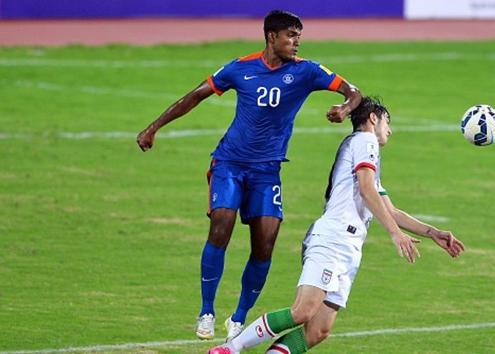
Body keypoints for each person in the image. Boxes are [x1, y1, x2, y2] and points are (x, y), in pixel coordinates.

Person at [136, 10, 361, 341]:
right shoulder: (240, 68)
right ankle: (206, 312)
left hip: (267, 171)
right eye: (290, 36)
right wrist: (154, 127)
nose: (297, 42)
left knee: (264, 245)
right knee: (221, 225)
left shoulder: (307, 72)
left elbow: (354, 93)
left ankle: (239, 317)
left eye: (299, 35)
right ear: (271, 37)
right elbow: (195, 95)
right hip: (229, 163)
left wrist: (344, 109)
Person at [208, 96, 466, 354]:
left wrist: (433, 233)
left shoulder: (364, 155)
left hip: (348, 247)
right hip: (333, 238)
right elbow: (366, 190)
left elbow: (390, 210)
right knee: (303, 311)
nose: (390, 130)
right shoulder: (366, 141)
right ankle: (230, 348)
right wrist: (395, 234)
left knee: (318, 330)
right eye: (388, 121)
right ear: (373, 118)